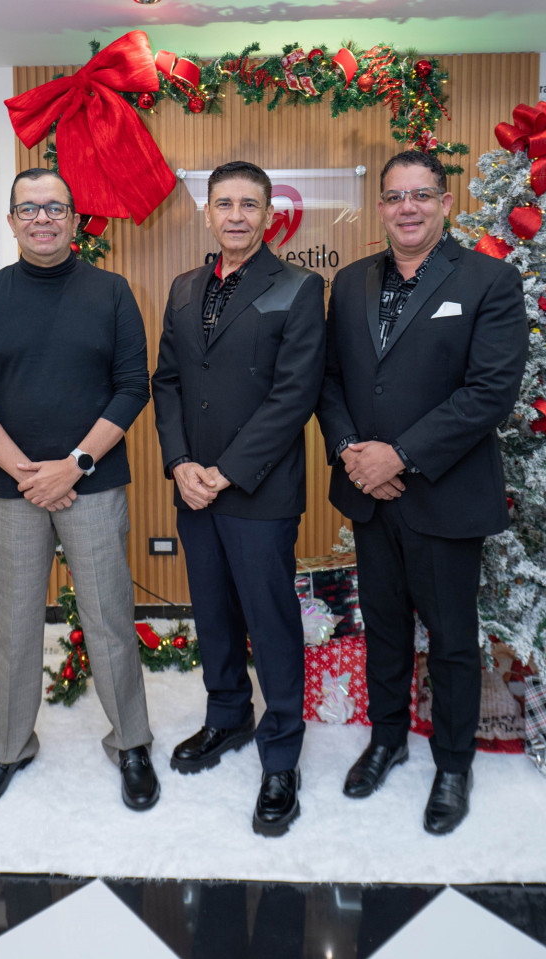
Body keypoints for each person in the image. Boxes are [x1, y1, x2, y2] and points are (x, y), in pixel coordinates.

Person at [316, 150, 528, 835]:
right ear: (379, 206)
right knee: (382, 627)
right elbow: (331, 381)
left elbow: (490, 391)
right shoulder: (349, 283)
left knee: (452, 639)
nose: (408, 207)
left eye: (421, 195)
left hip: (443, 493)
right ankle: (385, 740)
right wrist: (352, 451)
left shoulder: (489, 279)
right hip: (369, 493)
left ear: (443, 202)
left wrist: (400, 454)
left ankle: (454, 763)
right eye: (395, 196)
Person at [0, 168, 158, 813]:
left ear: (75, 218)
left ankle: (131, 742)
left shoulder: (112, 291)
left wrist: (72, 466)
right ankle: (9, 747)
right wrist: (29, 474)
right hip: (14, 489)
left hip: (91, 484)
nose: (43, 219)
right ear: (11, 220)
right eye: (29, 209)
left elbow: (133, 387)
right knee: (13, 626)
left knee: (109, 619)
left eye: (55, 208)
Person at [152, 161, 325, 836]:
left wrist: (223, 470)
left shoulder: (299, 287)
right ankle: (227, 716)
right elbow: (165, 382)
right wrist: (178, 463)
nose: (235, 215)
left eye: (248, 204)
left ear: (269, 213)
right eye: (223, 203)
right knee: (213, 612)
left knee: (270, 620)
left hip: (258, 490)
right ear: (207, 211)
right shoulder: (184, 286)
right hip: (192, 486)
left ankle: (281, 753)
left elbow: (294, 396)